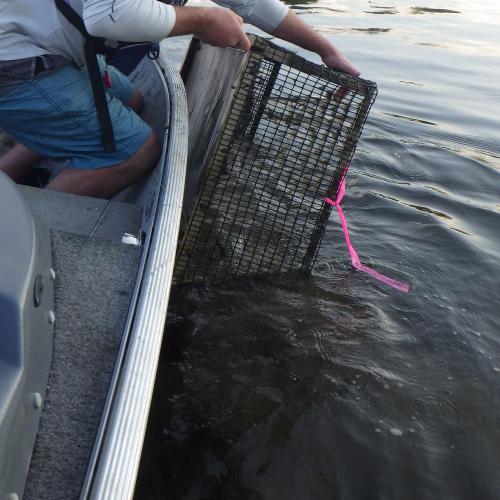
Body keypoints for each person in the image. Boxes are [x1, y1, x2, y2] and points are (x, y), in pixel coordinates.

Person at [0, 0, 359, 199]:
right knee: (136, 152)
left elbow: (256, 6)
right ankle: (33, 224)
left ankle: (8, 174)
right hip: (16, 59)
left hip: (51, 51)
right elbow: (110, 15)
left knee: (133, 100)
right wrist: (203, 19)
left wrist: (325, 50)